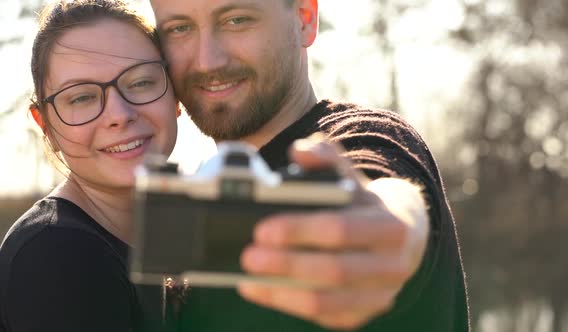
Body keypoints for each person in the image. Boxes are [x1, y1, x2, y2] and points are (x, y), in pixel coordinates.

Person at [148, 0, 470, 331]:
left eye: (237, 20)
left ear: (305, 19)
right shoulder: (187, 208)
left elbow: (387, 191)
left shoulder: (363, 137)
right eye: (180, 28)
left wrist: (394, 230)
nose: (207, 60)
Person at [0, 1, 180, 331]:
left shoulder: (164, 241)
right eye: (81, 97)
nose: (120, 115)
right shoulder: (57, 257)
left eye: (140, 82)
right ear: (46, 127)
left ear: (176, 95)